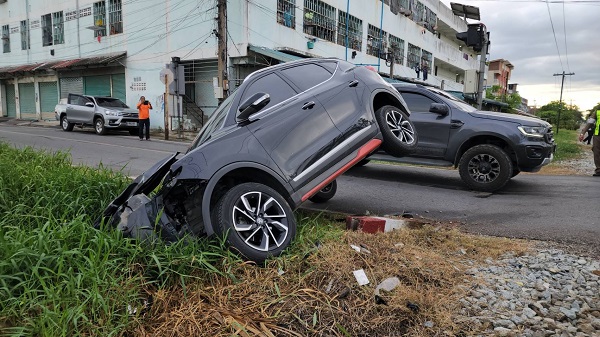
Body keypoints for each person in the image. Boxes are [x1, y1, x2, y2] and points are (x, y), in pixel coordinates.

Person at [578, 109, 600, 176]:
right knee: (596, 151)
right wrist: (582, 133)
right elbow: (590, 123)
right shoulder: (597, 111)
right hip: (597, 135)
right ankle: (599, 170)